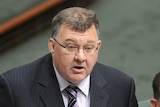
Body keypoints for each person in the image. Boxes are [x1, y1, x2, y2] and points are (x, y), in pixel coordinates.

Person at [0, 7, 138, 107]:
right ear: (53, 46)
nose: (80, 57)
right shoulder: (14, 88)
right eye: (71, 47)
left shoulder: (122, 86)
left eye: (89, 48)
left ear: (98, 47)